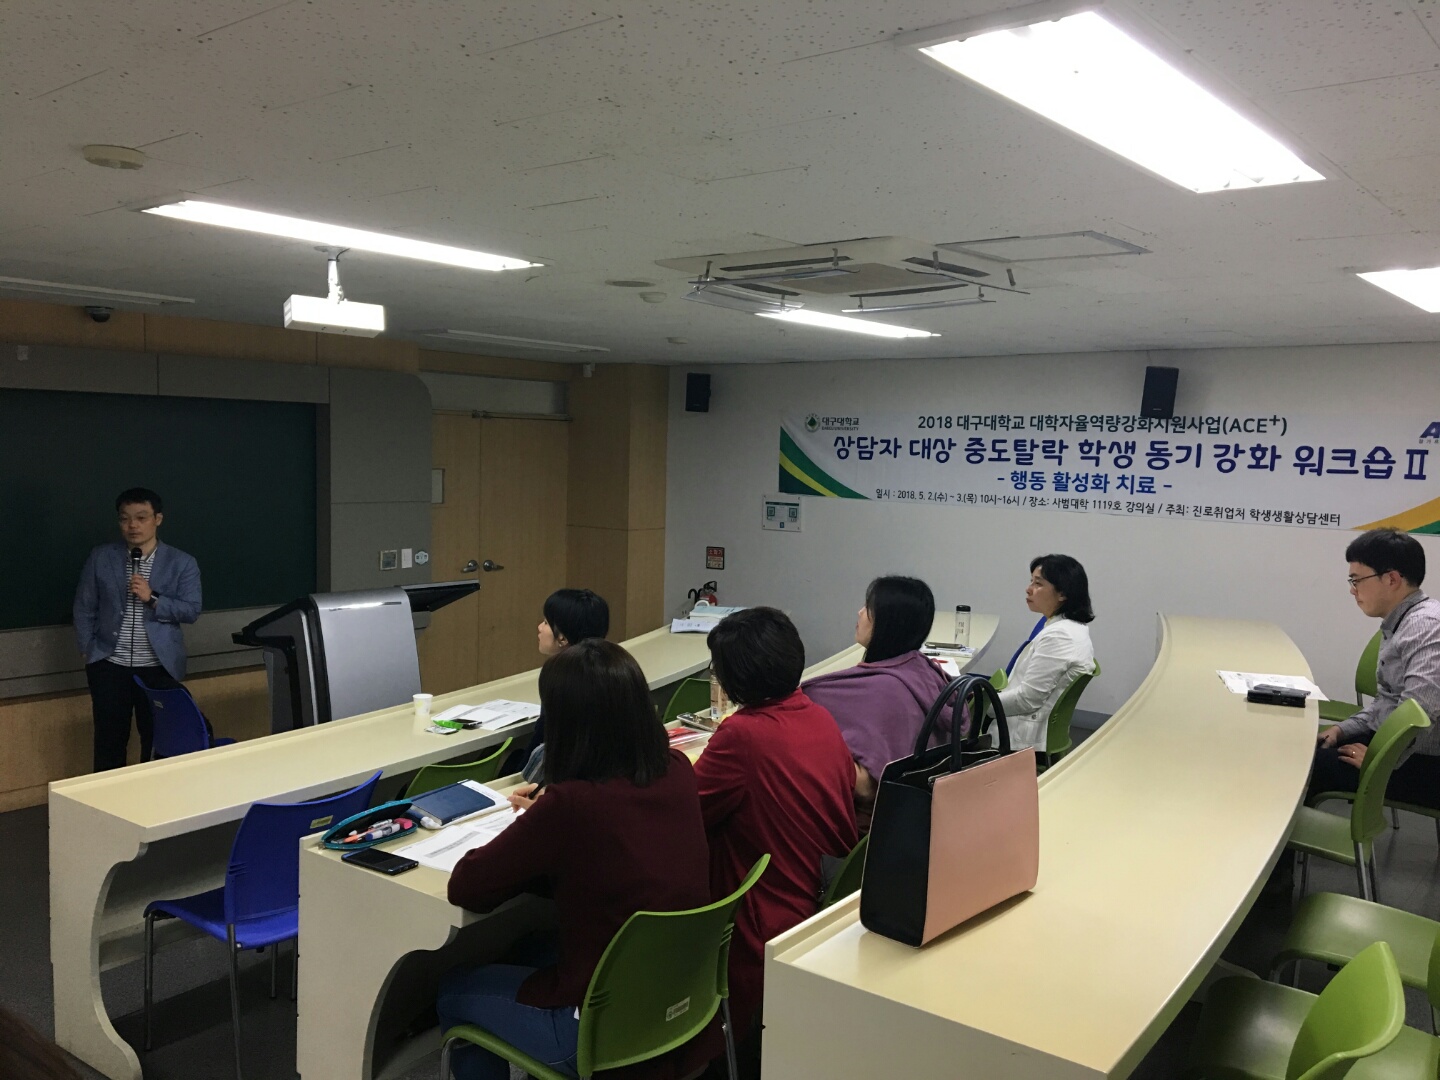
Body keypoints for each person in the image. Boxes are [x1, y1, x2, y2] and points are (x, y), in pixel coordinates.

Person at [439, 639, 716, 1080]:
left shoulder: (570, 805)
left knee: (453, 990)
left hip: (598, 1030)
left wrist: (535, 827)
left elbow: (468, 887)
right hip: (679, 1003)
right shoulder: (677, 768)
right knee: (528, 947)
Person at [695, 607, 858, 1050]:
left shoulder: (742, 735)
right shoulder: (819, 716)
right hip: (818, 900)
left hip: (764, 918)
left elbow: (686, 810)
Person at [802, 576, 957, 819]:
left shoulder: (883, 692)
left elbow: (866, 788)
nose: (860, 612)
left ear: (887, 623)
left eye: (869, 608)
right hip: (918, 811)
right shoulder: (923, 670)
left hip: (869, 824)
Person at [72, 488, 202, 771]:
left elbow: (191, 610)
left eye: (141, 518)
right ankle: (106, 794)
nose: (132, 525)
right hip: (109, 663)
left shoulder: (182, 562)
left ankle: (150, 795)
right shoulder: (101, 557)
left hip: (157, 666)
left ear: (158, 519)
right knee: (109, 740)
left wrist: (153, 598)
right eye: (125, 518)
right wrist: (87, 650)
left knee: (156, 739)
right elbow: (84, 606)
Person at [1311, 528, 1440, 806]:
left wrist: (1377, 760)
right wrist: (1342, 730)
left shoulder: (1425, 626)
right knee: (1309, 748)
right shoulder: (1403, 620)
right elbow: (1387, 701)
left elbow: (1420, 713)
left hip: (1423, 763)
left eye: (1357, 579)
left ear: (1391, 579)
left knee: (1305, 767)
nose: (1352, 589)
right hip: (1400, 745)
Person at [509, 588, 609, 781]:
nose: (539, 627)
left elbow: (545, 736)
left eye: (546, 623)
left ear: (562, 637)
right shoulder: (616, 665)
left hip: (568, 775)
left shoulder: (560, 676)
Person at [998, 555, 1096, 752]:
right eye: (1031, 581)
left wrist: (981, 705)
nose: (1028, 589)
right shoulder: (1069, 627)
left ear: (1062, 594)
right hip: (1030, 727)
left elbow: (1028, 699)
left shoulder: (1059, 636)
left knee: (942, 713)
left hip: (1021, 738)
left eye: (1038, 583)